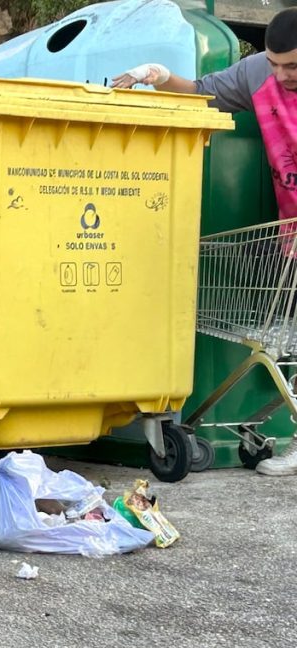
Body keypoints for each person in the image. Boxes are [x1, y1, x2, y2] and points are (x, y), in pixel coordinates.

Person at [113, 8, 297, 476]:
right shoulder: (257, 75)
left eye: (292, 66)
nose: (281, 75)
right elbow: (201, 93)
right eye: (275, 64)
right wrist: (158, 75)